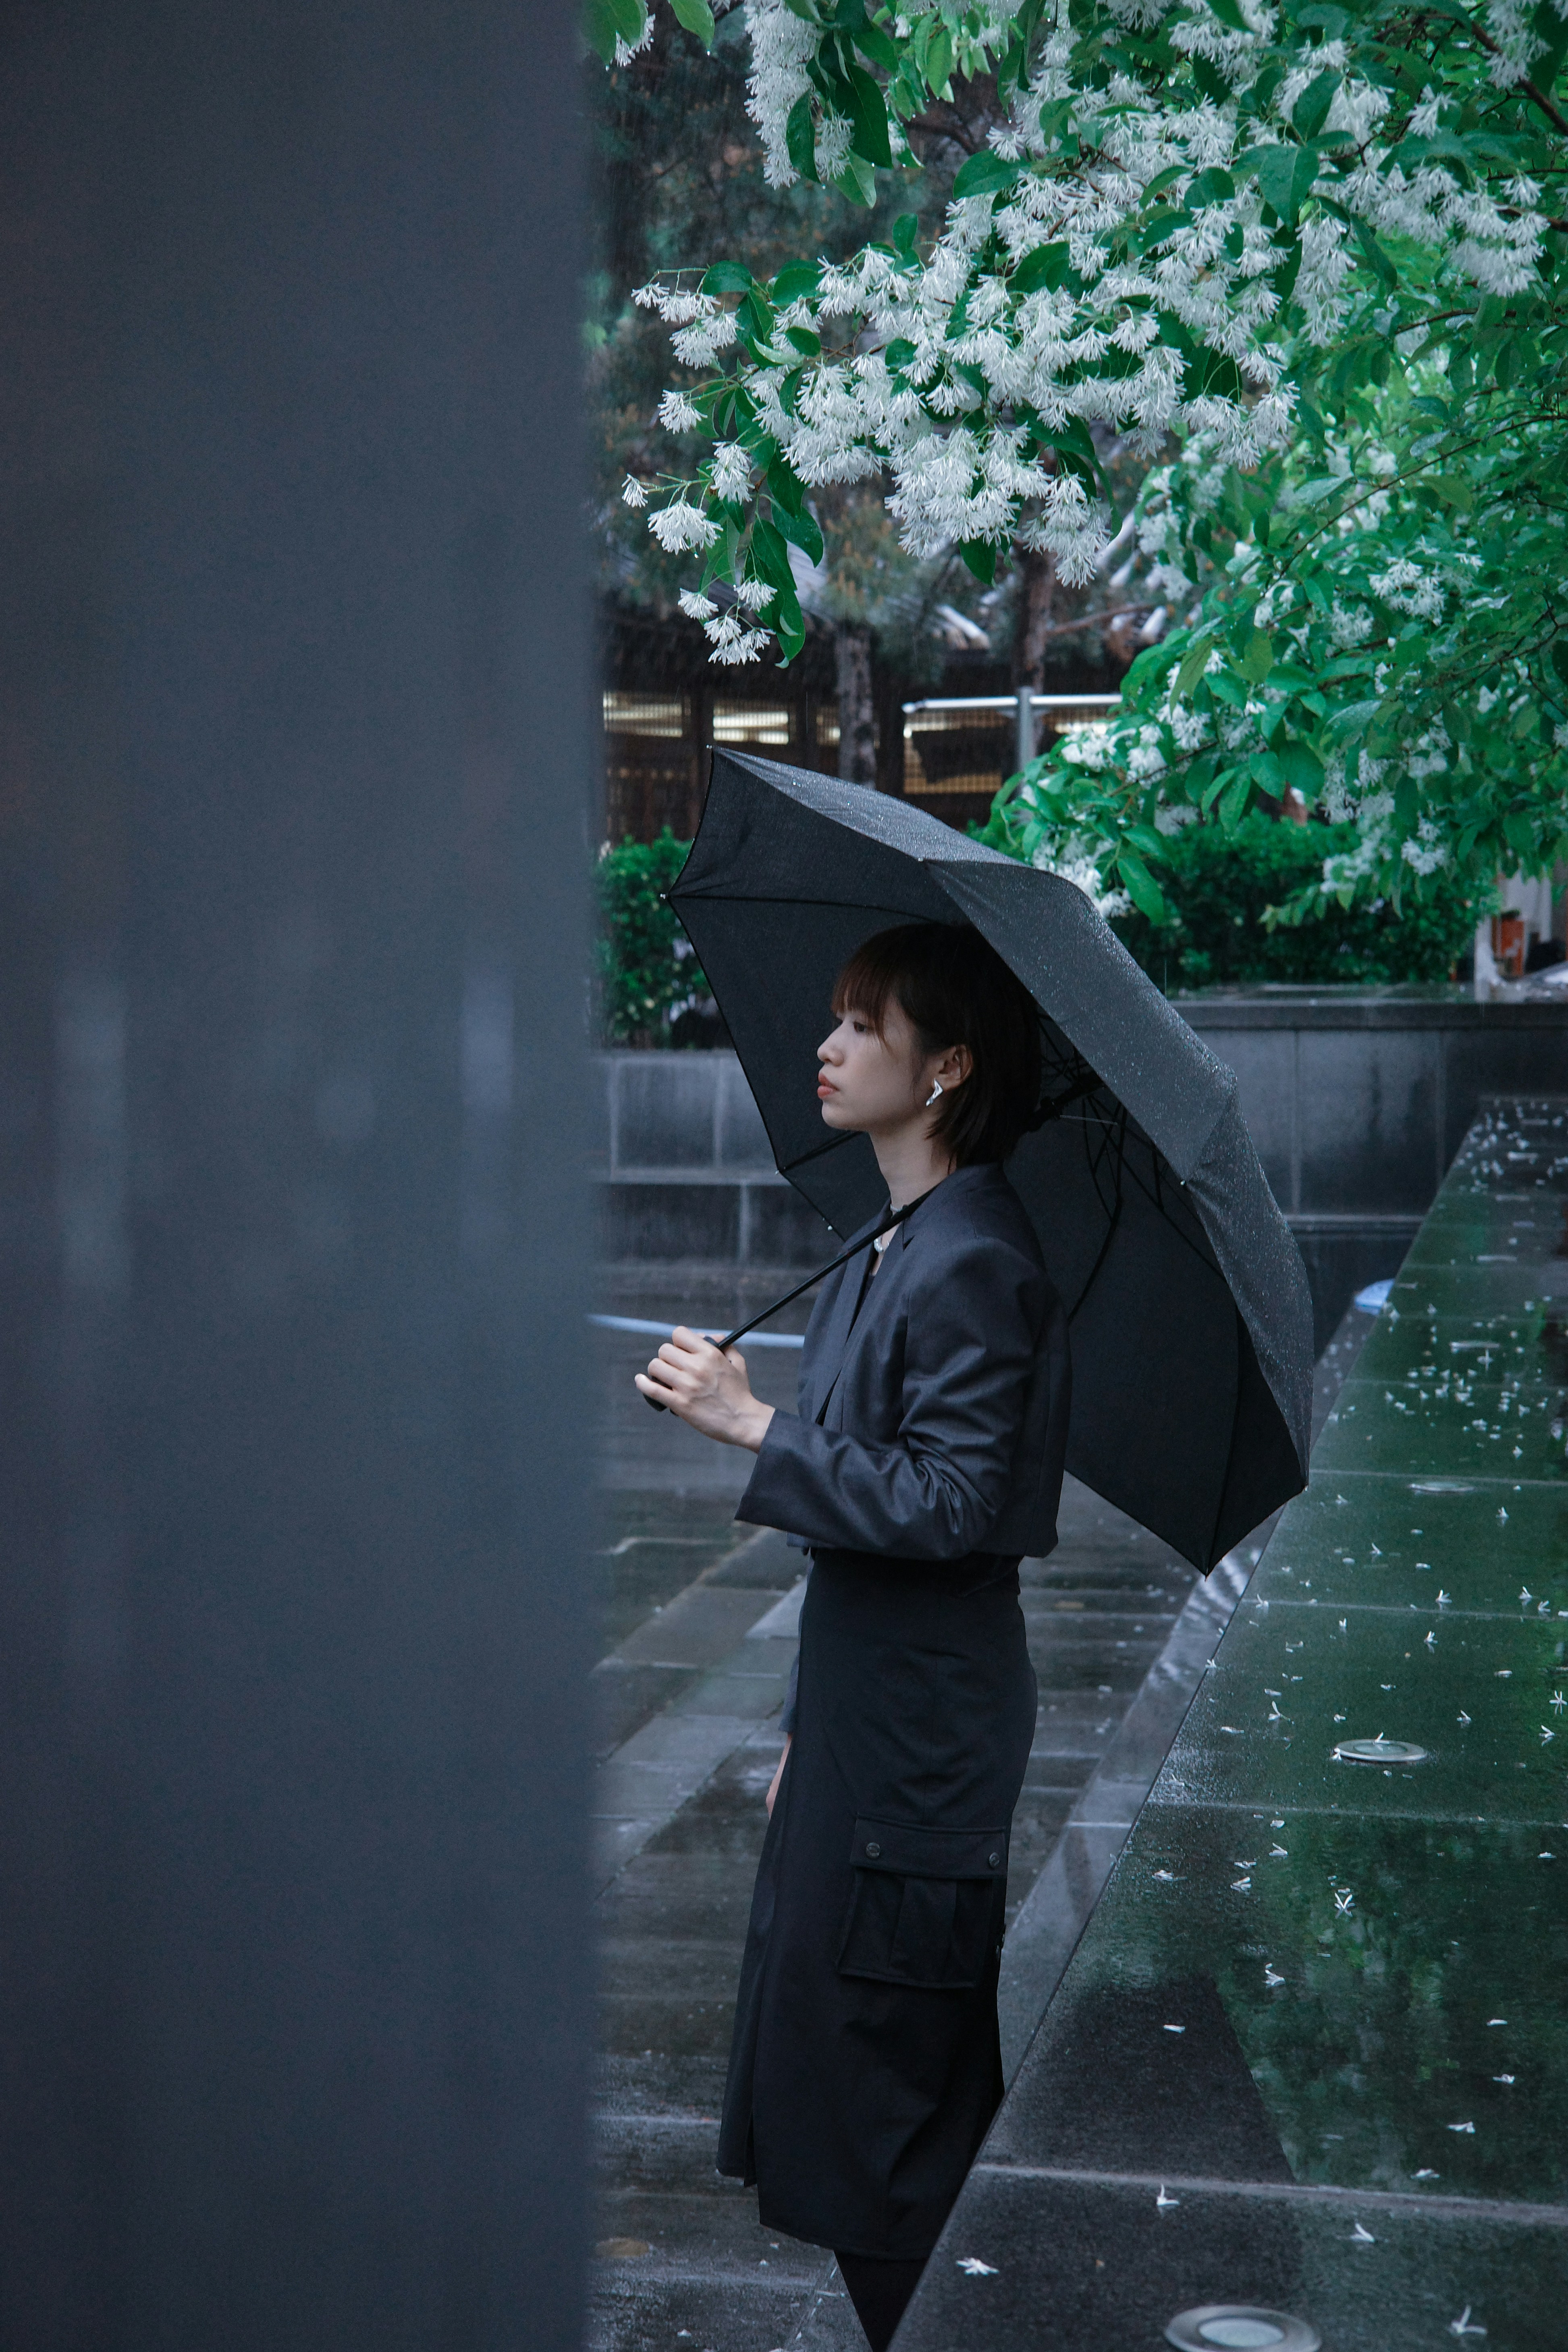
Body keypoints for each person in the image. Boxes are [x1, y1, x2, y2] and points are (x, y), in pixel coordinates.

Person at [636, 922, 1070, 2352]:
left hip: (919, 1743)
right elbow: (873, 1473)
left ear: (945, 1067)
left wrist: (750, 1426)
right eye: (832, 1020)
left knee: (891, 2105)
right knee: (850, 2078)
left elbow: (955, 1504)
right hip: (863, 1723)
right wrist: (799, 1730)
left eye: (862, 1027)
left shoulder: (975, 1257)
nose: (827, 1048)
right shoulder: (897, 1240)